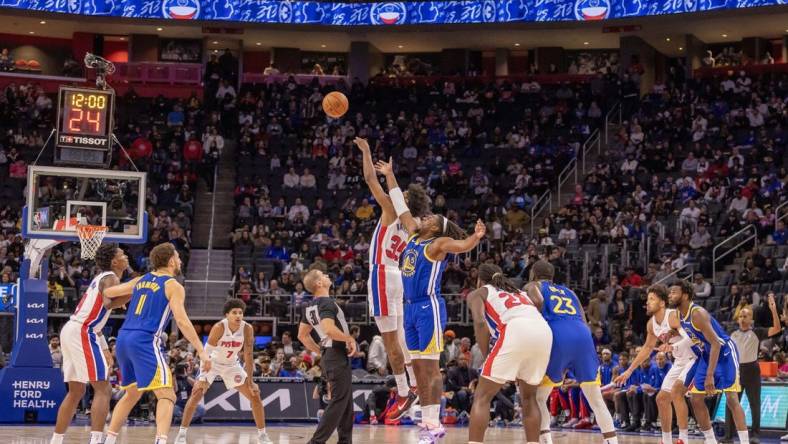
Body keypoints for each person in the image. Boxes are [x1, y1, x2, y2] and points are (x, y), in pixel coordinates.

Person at [376, 157, 486, 444]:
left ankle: (435, 423)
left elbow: (460, 245)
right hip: (410, 308)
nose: (425, 217)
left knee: (431, 369)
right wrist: (390, 175)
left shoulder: (438, 244)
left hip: (428, 307)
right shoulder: (414, 234)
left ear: (437, 228)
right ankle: (428, 424)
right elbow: (400, 206)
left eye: (431, 218)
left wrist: (475, 237)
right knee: (420, 371)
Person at [101, 243, 211, 444]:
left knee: (131, 394)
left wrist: (125, 298)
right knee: (167, 394)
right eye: (177, 257)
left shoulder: (141, 280)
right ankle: (161, 441)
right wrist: (201, 351)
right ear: (170, 260)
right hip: (145, 340)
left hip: (124, 338)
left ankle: (109, 440)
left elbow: (109, 293)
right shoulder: (173, 285)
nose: (179, 260)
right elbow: (182, 321)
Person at [355, 137, 429, 419]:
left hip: (383, 273)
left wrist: (366, 151)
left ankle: (403, 390)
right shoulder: (415, 226)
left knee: (390, 342)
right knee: (401, 339)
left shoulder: (391, 210)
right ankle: (415, 384)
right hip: (397, 276)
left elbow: (369, 178)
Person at [531, 260, 618, 444]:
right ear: (552, 276)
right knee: (595, 397)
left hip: (558, 335)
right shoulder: (569, 291)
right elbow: (584, 318)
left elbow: (536, 303)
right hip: (583, 335)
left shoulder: (534, 286)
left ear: (533, 274)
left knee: (539, 397)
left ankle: (545, 440)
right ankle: (612, 441)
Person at [50, 244, 130, 444]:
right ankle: (96, 440)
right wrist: (134, 290)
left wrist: (104, 348)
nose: (126, 256)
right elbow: (109, 303)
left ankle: (56, 440)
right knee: (103, 388)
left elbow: (98, 315)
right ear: (114, 261)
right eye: (122, 254)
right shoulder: (111, 277)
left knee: (76, 391)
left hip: (73, 329)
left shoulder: (102, 278)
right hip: (82, 331)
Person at [466, 264, 551, 444]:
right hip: (543, 330)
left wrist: (487, 354)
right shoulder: (519, 292)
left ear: (480, 280)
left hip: (514, 329)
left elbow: (480, 323)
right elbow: (539, 302)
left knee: (482, 397)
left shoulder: (478, 293)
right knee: (529, 398)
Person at [176, 299, 273, 444]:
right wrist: (203, 375)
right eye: (234, 312)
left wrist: (251, 381)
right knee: (196, 393)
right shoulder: (219, 327)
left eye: (240, 312)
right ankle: (181, 434)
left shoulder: (247, 329)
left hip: (232, 365)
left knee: (255, 395)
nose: (238, 315)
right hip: (211, 362)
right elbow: (206, 351)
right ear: (227, 315)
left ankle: (263, 435)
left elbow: (248, 355)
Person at [614, 284, 696, 444]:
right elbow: (647, 349)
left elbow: (691, 338)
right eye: (648, 299)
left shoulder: (672, 316)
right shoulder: (651, 324)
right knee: (661, 399)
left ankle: (683, 439)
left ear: (662, 303)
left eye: (652, 299)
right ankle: (666, 440)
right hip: (680, 361)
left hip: (694, 358)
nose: (648, 303)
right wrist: (629, 371)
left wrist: (671, 347)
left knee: (677, 392)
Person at [669, 280, 748, 444]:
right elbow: (694, 335)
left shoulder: (697, 313)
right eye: (670, 292)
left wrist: (710, 375)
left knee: (732, 398)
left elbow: (716, 343)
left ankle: (745, 441)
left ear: (684, 295)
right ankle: (711, 440)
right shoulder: (679, 315)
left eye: (674, 292)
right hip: (708, 353)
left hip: (724, 352)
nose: (670, 295)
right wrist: (670, 333)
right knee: (695, 399)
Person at [297, 269, 357, 444]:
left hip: (330, 355)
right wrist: (349, 338)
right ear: (319, 283)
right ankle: (316, 442)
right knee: (339, 400)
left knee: (346, 402)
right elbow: (329, 329)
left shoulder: (309, 306)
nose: (328, 276)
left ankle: (345, 441)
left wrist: (320, 351)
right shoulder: (327, 303)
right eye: (324, 275)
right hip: (336, 354)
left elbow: (302, 335)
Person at [724, 293, 782, 443]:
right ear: (738, 319)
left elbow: (776, 328)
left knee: (754, 404)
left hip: (752, 370)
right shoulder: (731, 332)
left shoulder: (757, 332)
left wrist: (773, 309)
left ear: (752, 320)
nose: (743, 318)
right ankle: (728, 437)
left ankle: (755, 435)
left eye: (746, 316)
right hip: (735, 371)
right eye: (741, 316)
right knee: (731, 404)